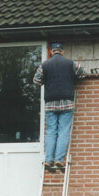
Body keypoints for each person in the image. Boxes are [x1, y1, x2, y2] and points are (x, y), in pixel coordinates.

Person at [33, 42, 86, 172]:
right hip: (67, 102)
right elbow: (83, 74)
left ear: (51, 52)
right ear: (62, 51)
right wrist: (71, 78)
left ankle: (49, 160)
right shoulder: (70, 63)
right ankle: (59, 159)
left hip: (50, 103)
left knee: (51, 131)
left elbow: (36, 81)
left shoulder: (44, 65)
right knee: (63, 131)